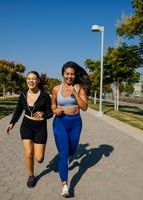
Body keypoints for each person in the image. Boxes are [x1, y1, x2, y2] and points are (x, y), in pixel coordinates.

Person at [5, 71, 53, 188]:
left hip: (40, 127)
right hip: (26, 126)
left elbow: (50, 113)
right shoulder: (23, 95)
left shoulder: (45, 95)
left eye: (33, 78)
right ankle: (31, 176)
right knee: (28, 153)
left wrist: (43, 114)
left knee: (39, 158)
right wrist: (12, 123)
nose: (30, 81)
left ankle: (37, 162)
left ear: (38, 81)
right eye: (28, 78)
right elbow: (18, 111)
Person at [51, 61, 91, 197]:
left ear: (75, 75)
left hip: (75, 123)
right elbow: (53, 106)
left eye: (72, 74)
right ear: (63, 74)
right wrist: (55, 110)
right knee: (63, 154)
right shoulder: (56, 89)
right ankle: (65, 186)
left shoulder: (79, 88)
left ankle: (67, 157)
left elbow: (85, 107)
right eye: (67, 74)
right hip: (60, 123)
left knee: (72, 150)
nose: (69, 76)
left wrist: (75, 94)